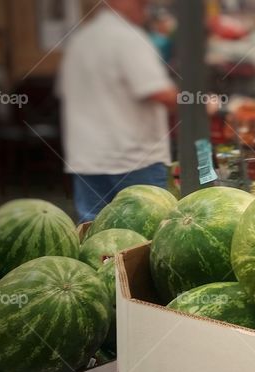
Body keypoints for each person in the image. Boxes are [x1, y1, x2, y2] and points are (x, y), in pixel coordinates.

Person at [57, 0, 179, 223]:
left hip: (88, 160)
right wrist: (200, 104)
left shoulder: (80, 39)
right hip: (134, 161)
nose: (145, 6)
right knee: (143, 240)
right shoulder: (128, 38)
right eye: (140, 3)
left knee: (94, 240)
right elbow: (160, 93)